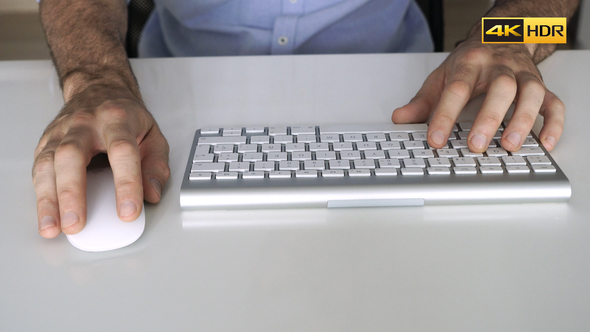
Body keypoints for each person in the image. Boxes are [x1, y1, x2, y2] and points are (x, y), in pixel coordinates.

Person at [33, 0, 579, 239]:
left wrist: (511, 40)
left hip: (407, 107)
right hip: (177, 106)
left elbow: (558, 5)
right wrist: (95, 79)